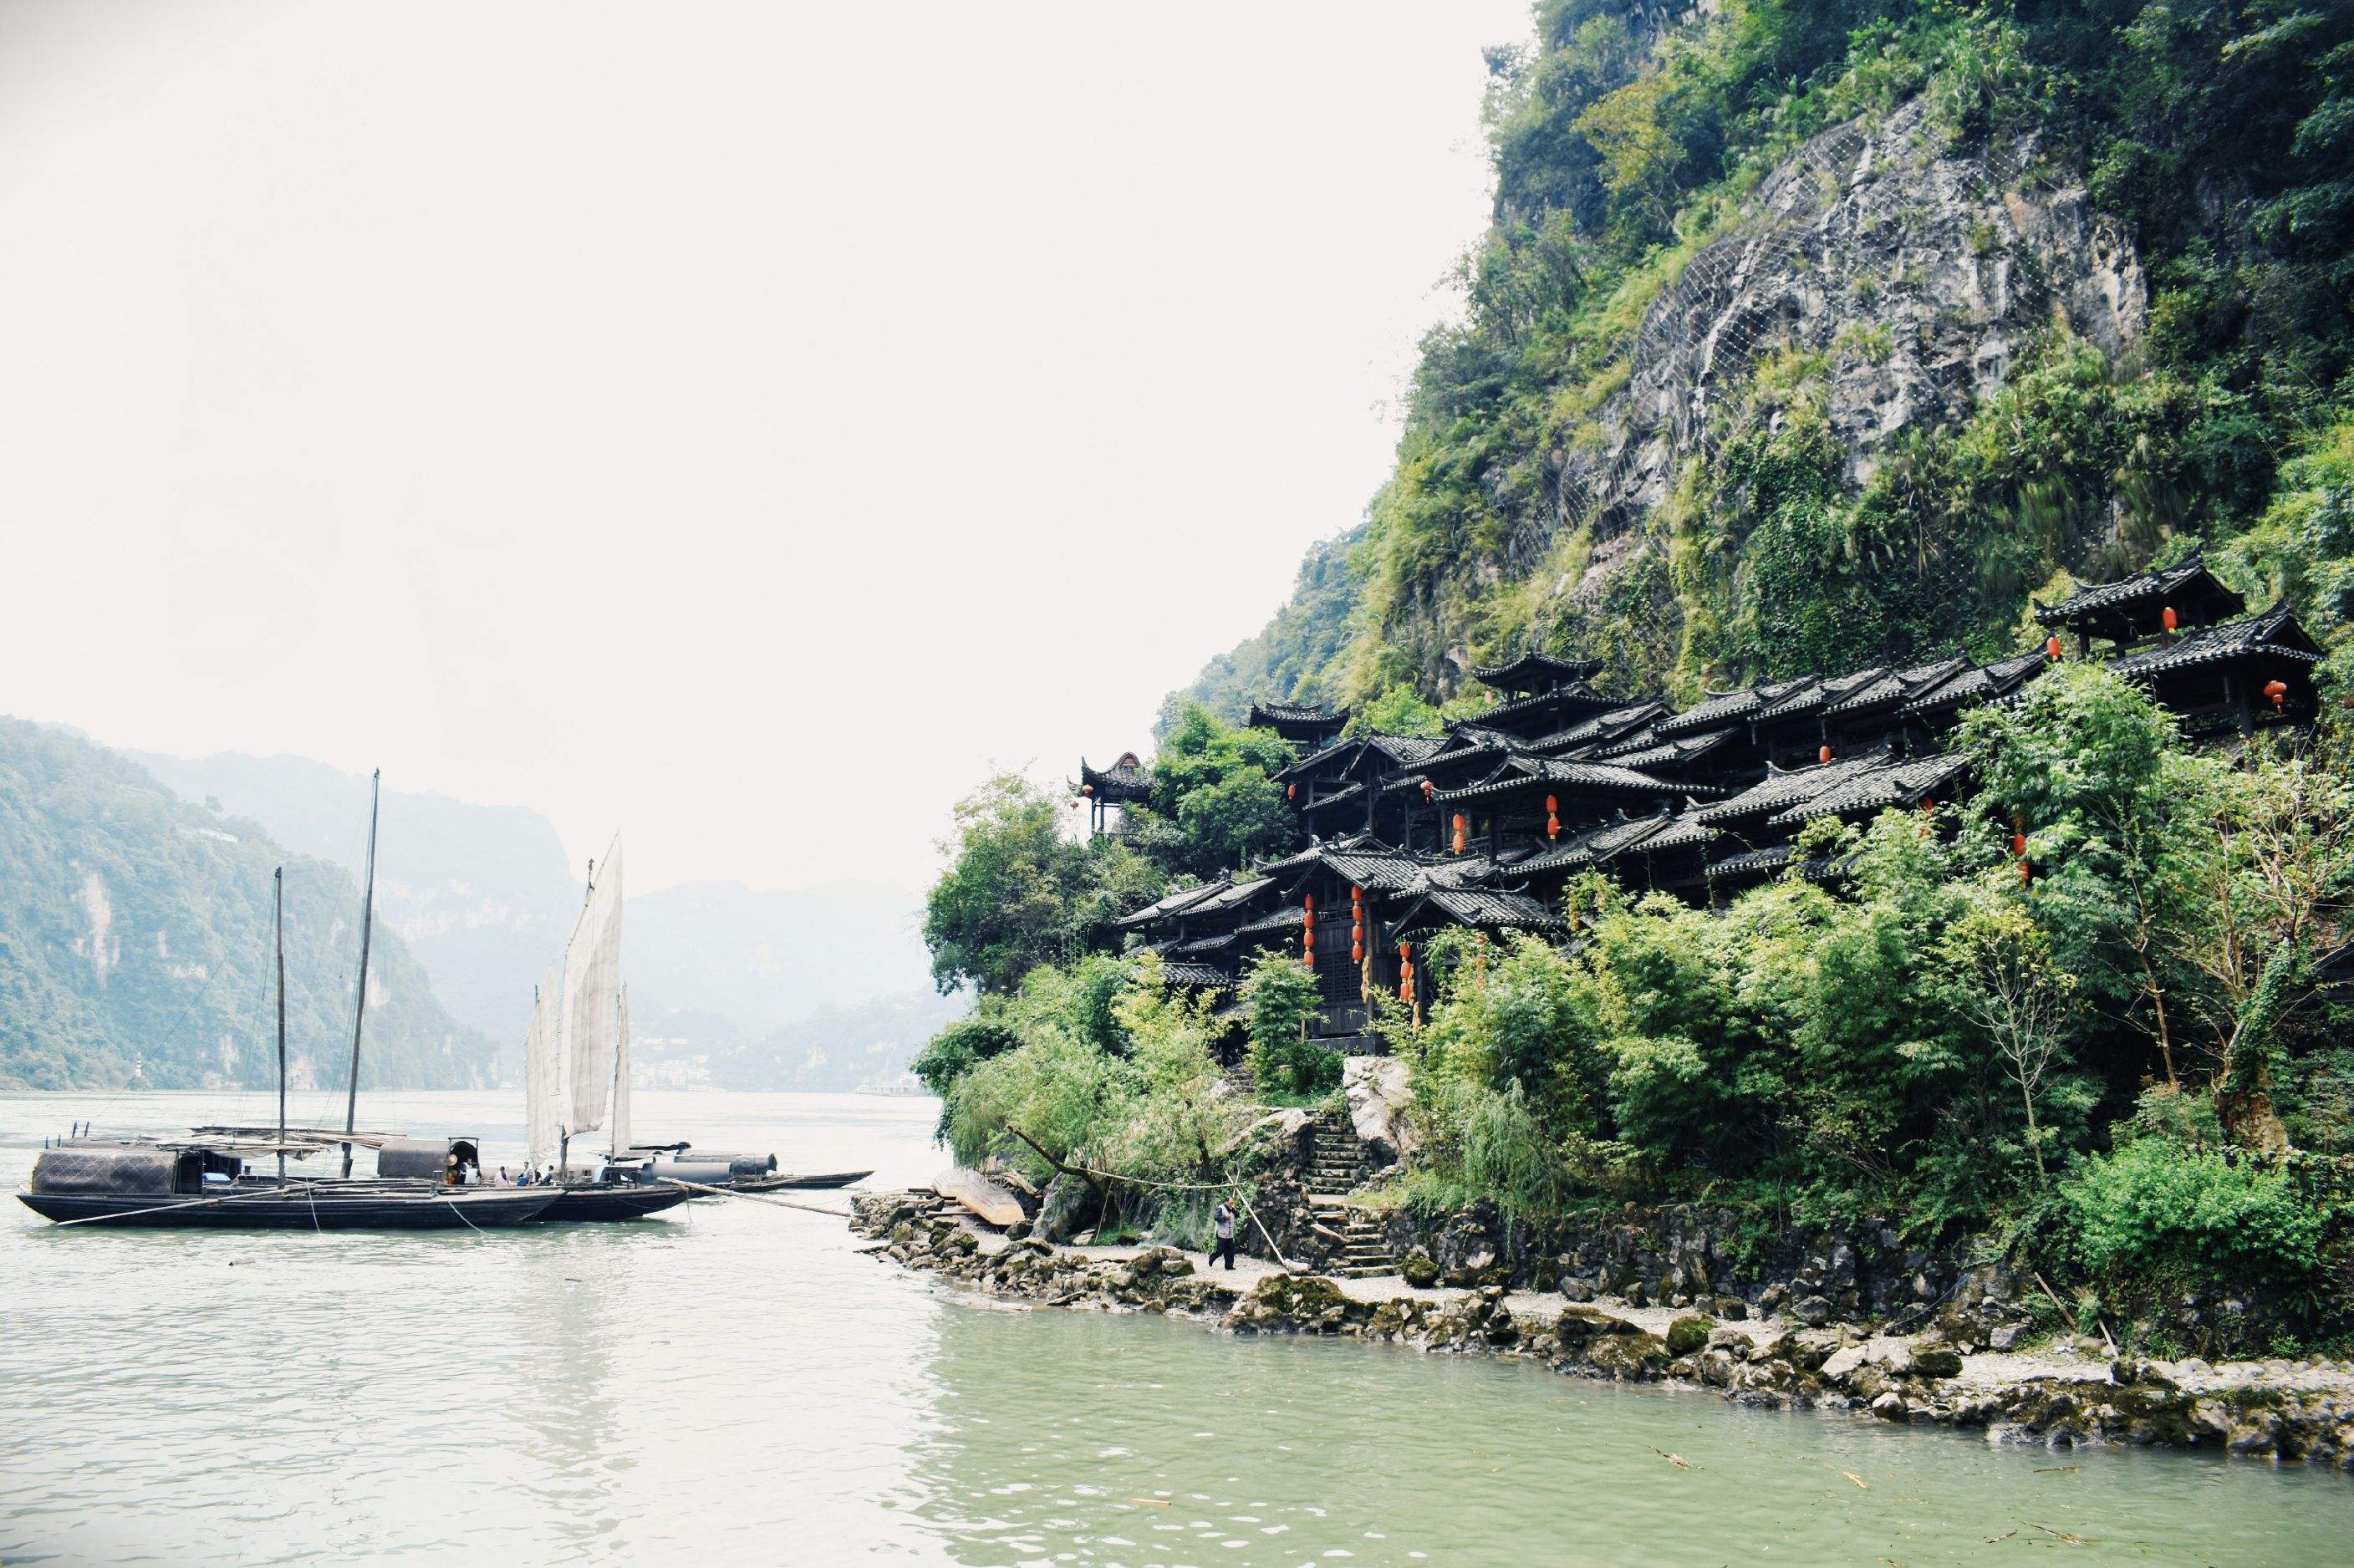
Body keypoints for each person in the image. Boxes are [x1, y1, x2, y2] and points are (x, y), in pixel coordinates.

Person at [1210, 1198, 1238, 1270]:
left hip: (1229, 1233)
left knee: (1231, 1250)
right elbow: (1216, 1218)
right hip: (1221, 1232)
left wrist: (1235, 1209)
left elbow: (1238, 1215)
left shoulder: (1232, 1209)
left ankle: (1229, 1266)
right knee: (1220, 1250)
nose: (1231, 1204)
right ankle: (1212, 1257)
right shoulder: (1220, 1208)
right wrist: (1225, 1217)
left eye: (1233, 1203)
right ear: (1226, 1202)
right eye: (1230, 1203)